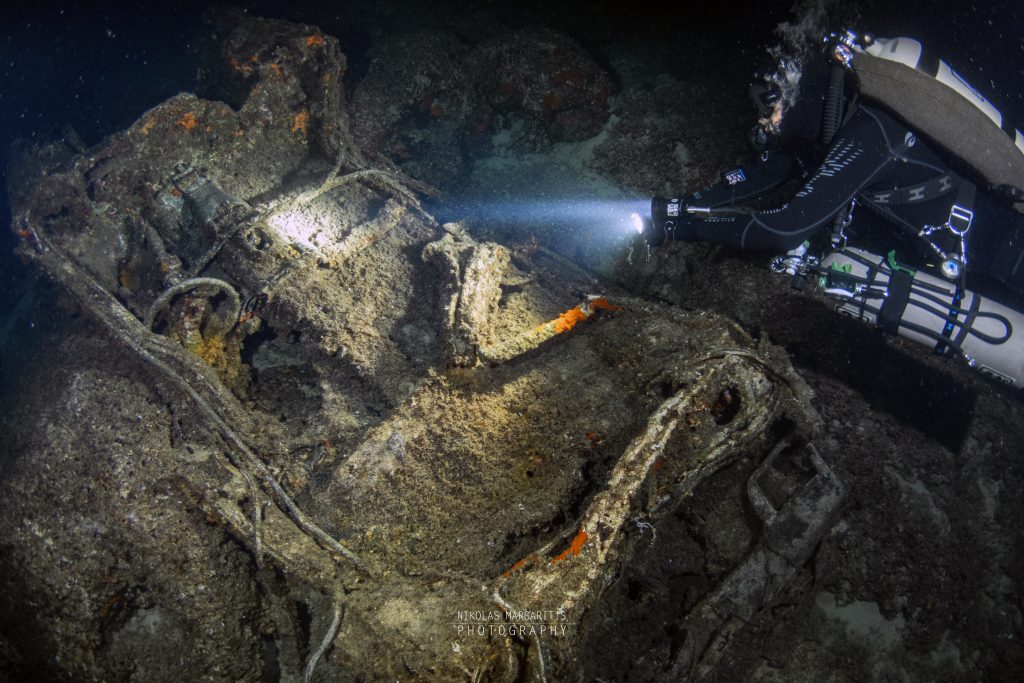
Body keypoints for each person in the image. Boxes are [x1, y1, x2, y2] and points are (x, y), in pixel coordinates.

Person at [646, 30, 1024, 388]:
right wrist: (685, 206)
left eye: (770, 105)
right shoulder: (830, 122)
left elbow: (782, 230)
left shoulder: (869, 130)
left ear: (797, 93)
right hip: (965, 258)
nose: (764, 122)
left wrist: (683, 230)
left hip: (1003, 246)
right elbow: (760, 175)